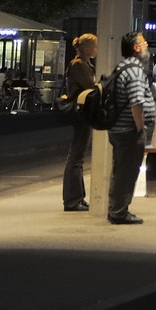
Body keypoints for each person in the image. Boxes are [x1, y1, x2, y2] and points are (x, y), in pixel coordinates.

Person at [107, 31, 154, 225]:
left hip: (118, 128)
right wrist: (140, 128)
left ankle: (116, 209)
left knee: (119, 170)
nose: (147, 45)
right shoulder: (135, 71)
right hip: (129, 130)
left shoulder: (122, 67)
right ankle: (119, 212)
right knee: (126, 173)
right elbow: (136, 102)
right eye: (144, 43)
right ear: (136, 48)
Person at [61, 33, 96, 213]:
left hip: (83, 113)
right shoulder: (79, 65)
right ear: (87, 47)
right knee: (76, 156)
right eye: (95, 46)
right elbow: (90, 86)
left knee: (78, 156)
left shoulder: (83, 64)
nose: (97, 49)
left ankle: (77, 197)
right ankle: (72, 199)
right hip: (80, 113)